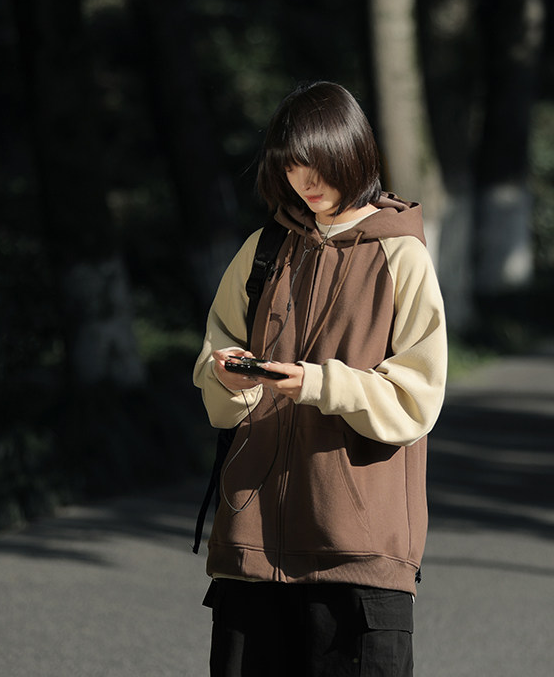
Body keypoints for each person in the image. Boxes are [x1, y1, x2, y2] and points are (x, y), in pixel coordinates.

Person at [192, 81, 447, 676]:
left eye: (319, 164)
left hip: (358, 557)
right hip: (251, 552)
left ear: (353, 154)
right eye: (291, 166)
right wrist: (229, 379)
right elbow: (212, 365)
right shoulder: (263, 250)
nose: (304, 181)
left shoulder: (401, 255)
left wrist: (317, 384)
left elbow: (417, 399)